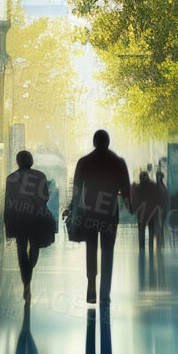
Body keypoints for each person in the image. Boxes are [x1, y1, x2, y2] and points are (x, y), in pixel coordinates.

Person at [70, 130, 130, 308]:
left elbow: (76, 188)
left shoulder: (84, 162)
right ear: (108, 142)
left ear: (94, 142)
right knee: (108, 251)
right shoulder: (118, 162)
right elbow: (125, 189)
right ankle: (105, 291)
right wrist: (129, 205)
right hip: (110, 213)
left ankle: (91, 285)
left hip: (89, 212)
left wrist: (75, 209)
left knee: (91, 248)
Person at [3, 150, 55, 303]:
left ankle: (26, 282)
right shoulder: (40, 176)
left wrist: (7, 223)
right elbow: (45, 197)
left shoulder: (11, 178)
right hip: (36, 218)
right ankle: (29, 273)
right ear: (31, 161)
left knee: (21, 249)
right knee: (35, 246)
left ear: (18, 161)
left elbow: (8, 202)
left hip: (19, 219)